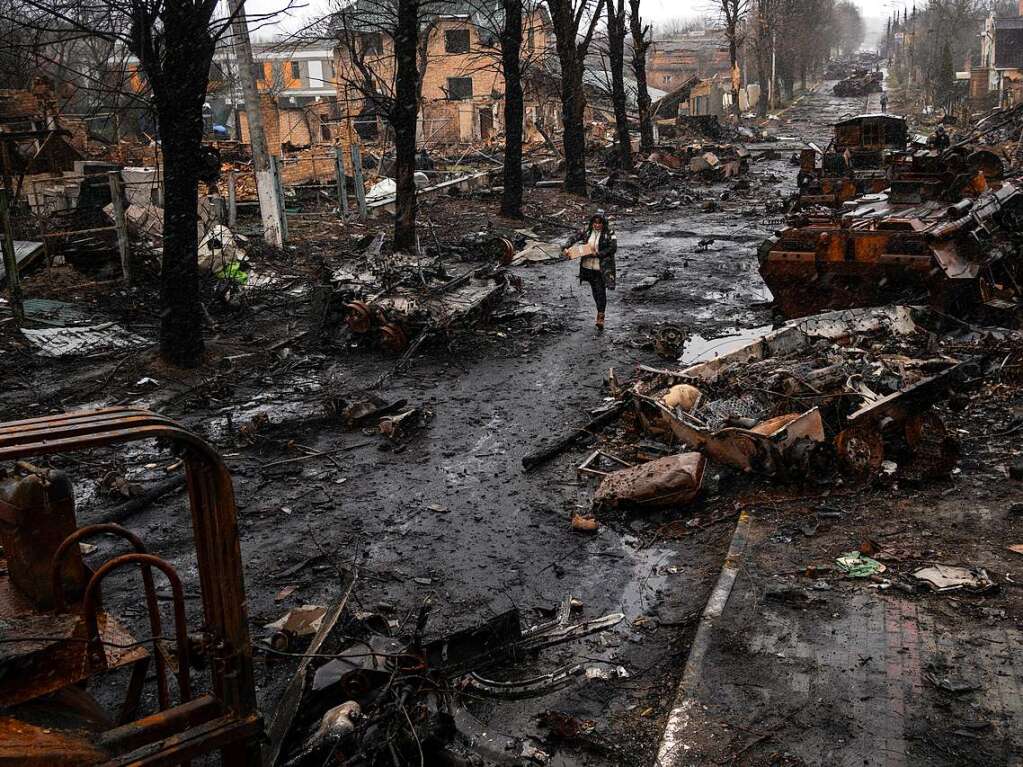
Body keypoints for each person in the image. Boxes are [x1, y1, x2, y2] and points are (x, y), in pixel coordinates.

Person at [562, 212, 617, 330]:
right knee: (595, 291)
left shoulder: (609, 233)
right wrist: (566, 247)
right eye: (595, 223)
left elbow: (613, 248)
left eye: (599, 223)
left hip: (601, 267)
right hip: (588, 266)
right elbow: (574, 238)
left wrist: (598, 254)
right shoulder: (587, 232)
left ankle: (601, 316)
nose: (597, 225)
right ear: (592, 223)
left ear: (603, 223)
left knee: (600, 290)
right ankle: (599, 310)